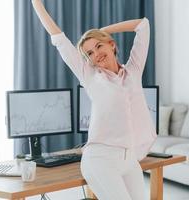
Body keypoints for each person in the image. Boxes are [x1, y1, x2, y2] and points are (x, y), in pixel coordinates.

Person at [31, 0, 157, 199]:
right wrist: (36, 3)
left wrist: (102, 31)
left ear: (112, 45)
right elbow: (59, 38)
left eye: (99, 46)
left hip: (129, 159)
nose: (96, 54)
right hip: (100, 159)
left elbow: (143, 25)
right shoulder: (90, 77)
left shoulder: (133, 71)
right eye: (90, 53)